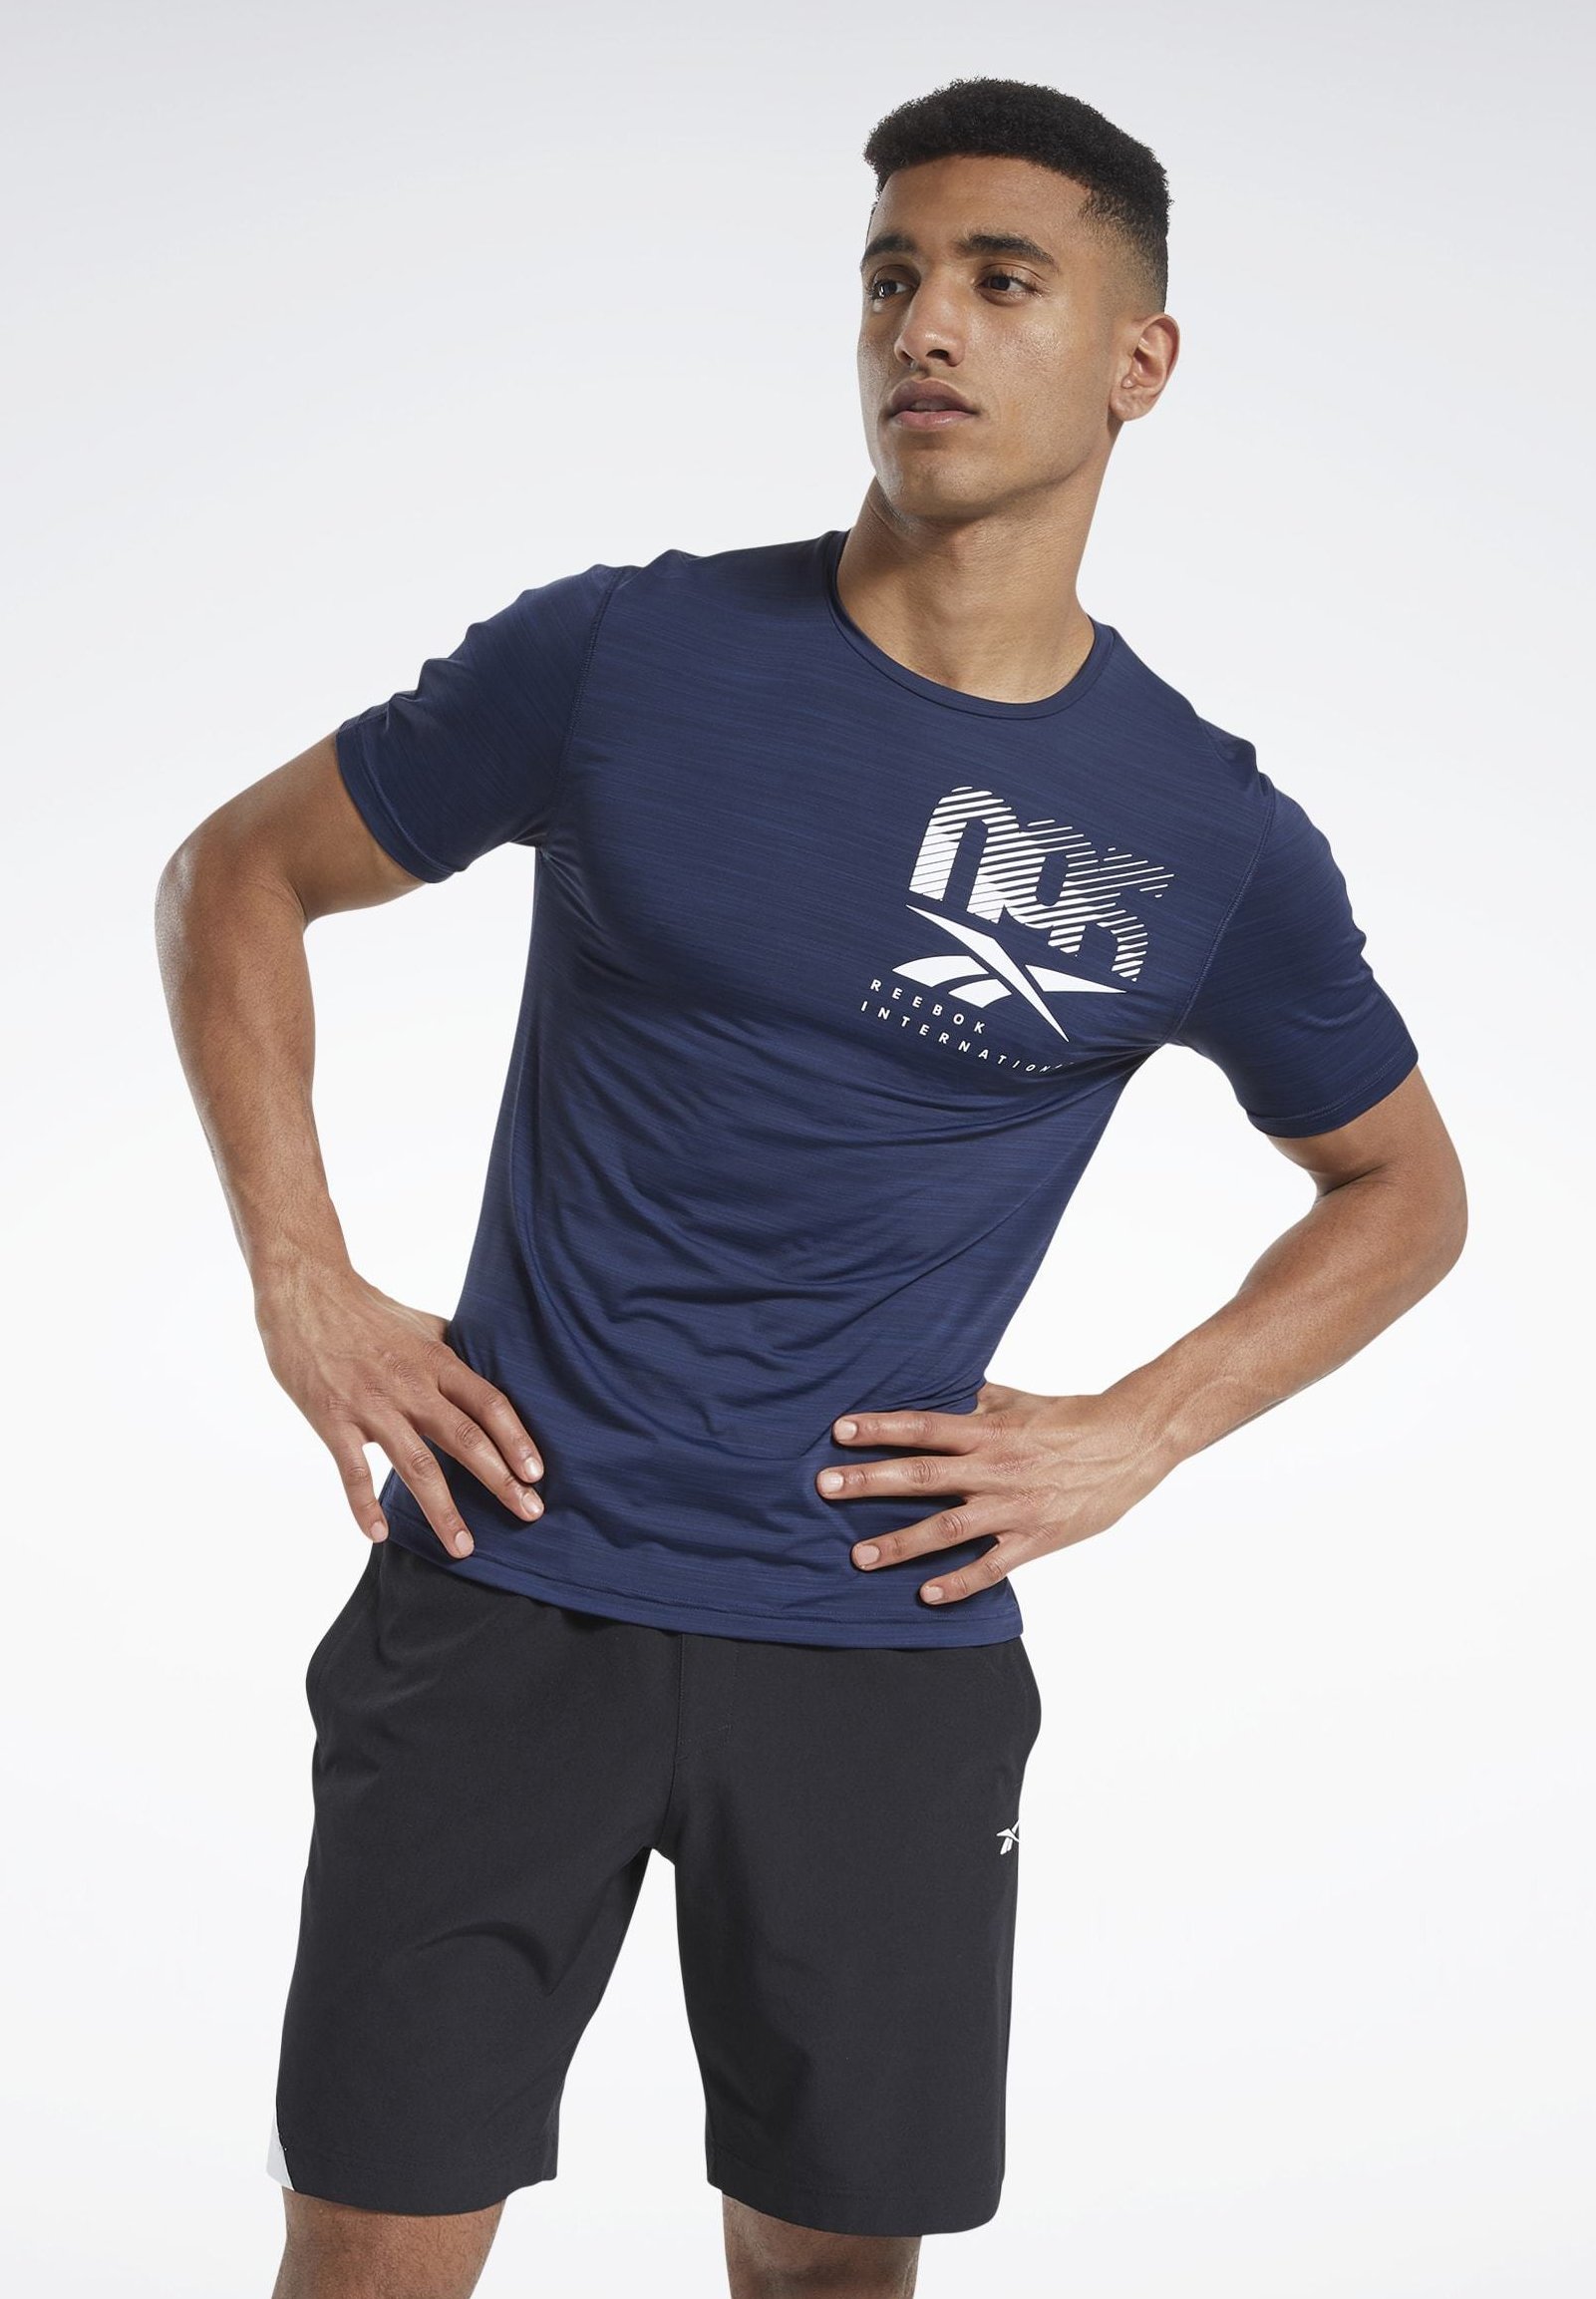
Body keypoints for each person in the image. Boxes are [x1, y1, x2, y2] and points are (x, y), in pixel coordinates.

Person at [156, 73, 1466, 2299]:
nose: (922, 326)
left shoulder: (1206, 831)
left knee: (830, 2276)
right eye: (889, 276)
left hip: (877, 1637)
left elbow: (1401, 1190)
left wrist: (1136, 1429)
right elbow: (238, 876)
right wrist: (304, 1276)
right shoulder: (631, 655)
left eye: (1001, 279)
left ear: (1138, 360)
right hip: (504, 1589)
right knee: (368, 2253)